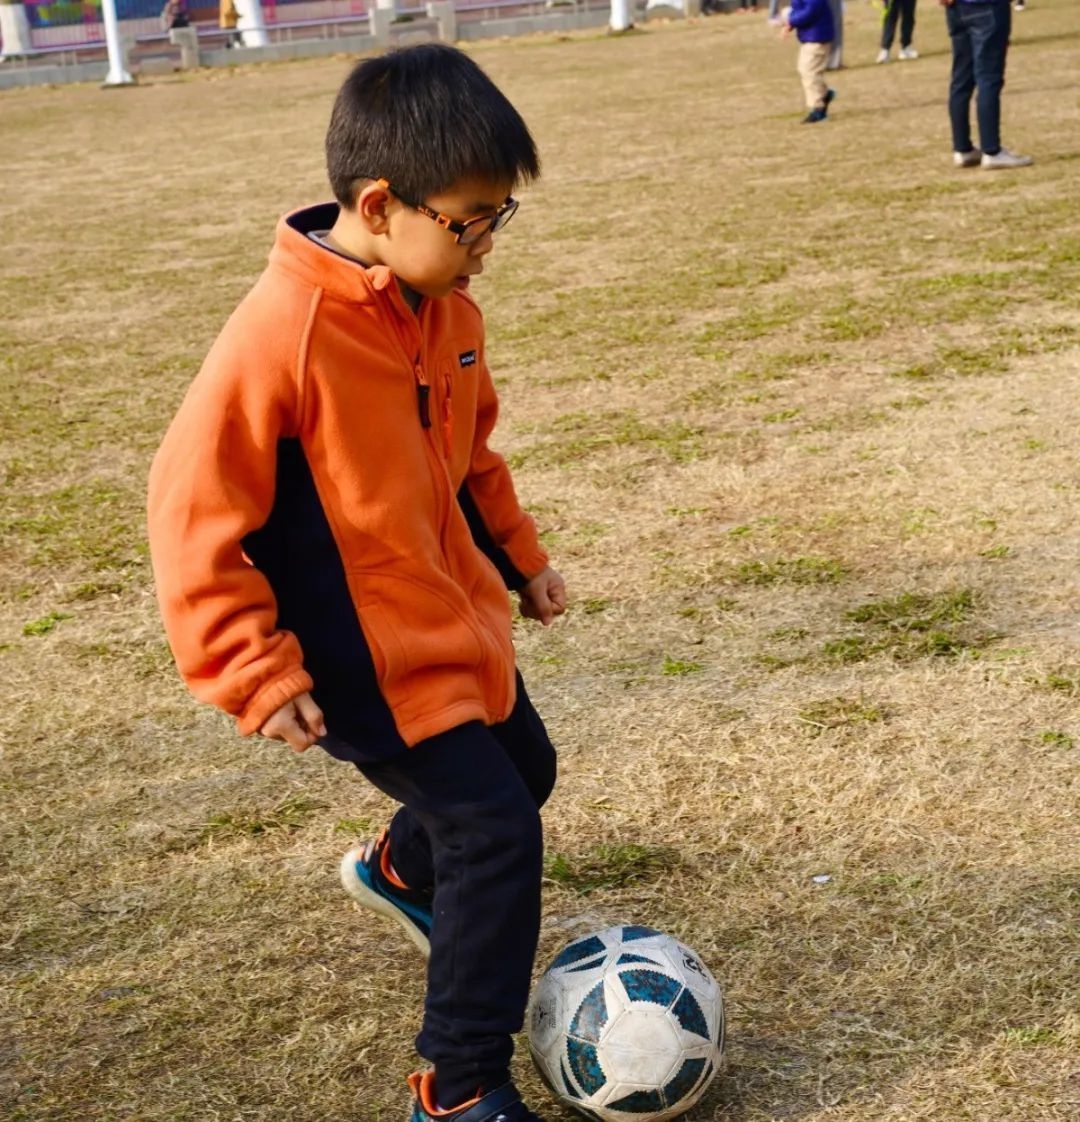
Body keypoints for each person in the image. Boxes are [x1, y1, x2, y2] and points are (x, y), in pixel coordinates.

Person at [147, 43, 567, 1122]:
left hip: (446, 624)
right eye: (472, 221)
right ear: (381, 205)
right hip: (357, 657)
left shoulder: (447, 315)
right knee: (495, 827)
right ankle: (459, 1083)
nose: (485, 248)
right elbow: (190, 506)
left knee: (527, 768)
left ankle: (399, 871)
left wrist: (521, 560)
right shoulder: (281, 336)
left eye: (498, 219)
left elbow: (473, 460)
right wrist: (249, 665)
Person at [942, 0, 1032, 169]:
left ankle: (962, 148)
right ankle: (992, 151)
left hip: (956, 8)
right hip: (987, 6)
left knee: (961, 80)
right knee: (988, 78)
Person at [782, 0, 837, 124]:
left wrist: (792, 20)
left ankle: (818, 109)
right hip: (812, 35)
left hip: (817, 37)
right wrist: (791, 23)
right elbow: (801, 8)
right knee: (807, 70)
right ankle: (824, 94)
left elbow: (811, 11)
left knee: (809, 71)